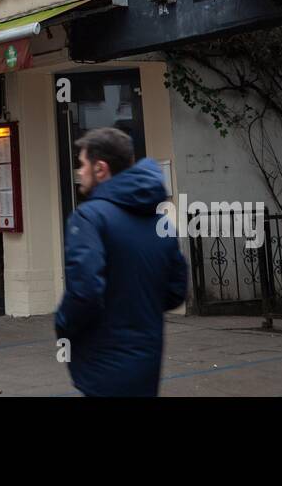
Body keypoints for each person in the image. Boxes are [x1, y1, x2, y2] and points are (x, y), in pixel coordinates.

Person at [55, 127, 188, 397]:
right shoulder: (160, 221)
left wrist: (63, 323)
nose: (79, 172)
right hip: (147, 359)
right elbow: (175, 292)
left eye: (82, 164)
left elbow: (84, 291)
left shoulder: (89, 218)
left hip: (103, 360)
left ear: (100, 168)